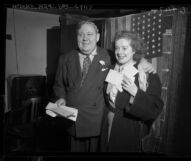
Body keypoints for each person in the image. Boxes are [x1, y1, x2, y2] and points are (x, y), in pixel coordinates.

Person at [53, 21, 156, 152]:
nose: (85, 38)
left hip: (97, 122)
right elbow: (59, 85)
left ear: (98, 37)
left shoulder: (108, 55)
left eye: (89, 34)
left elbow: (128, 56)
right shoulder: (65, 58)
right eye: (81, 35)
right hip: (72, 120)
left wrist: (143, 62)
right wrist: (61, 97)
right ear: (76, 37)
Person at [100, 30, 164, 152]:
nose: (119, 52)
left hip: (129, 131)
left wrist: (136, 92)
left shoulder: (147, 75)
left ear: (134, 50)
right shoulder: (113, 69)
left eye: (124, 48)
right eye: (117, 48)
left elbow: (154, 109)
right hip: (108, 126)